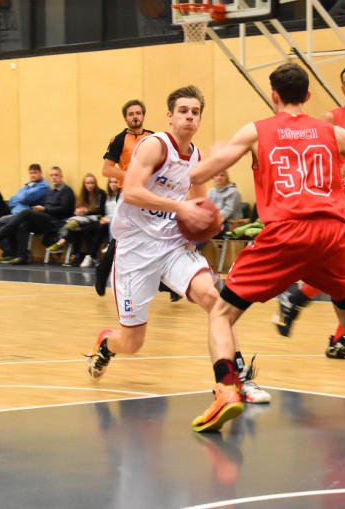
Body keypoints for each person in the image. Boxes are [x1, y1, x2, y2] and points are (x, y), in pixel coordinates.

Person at [189, 63, 345, 432]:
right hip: (333, 235)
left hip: (286, 233)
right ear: (309, 96)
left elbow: (198, 177)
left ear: (274, 96)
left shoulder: (256, 131)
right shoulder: (333, 131)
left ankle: (225, 391)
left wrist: (213, 154)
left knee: (221, 313)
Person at [85, 85, 271, 408]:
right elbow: (129, 192)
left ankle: (236, 381)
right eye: (183, 111)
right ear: (169, 116)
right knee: (132, 342)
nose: (189, 116)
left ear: (200, 118)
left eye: (195, 112)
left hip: (172, 245)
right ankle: (106, 345)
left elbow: (196, 202)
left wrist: (203, 221)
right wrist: (180, 208)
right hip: (136, 250)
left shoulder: (196, 157)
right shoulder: (154, 146)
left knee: (216, 300)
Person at [275, 64, 345, 360]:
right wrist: (341, 167)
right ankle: (297, 297)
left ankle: (339, 338)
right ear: (342, 89)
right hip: (344, 206)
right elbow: (310, 156)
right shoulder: (331, 119)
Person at [94, 99, 154, 296]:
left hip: (151, 195)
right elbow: (106, 170)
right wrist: (130, 175)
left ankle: (167, 285)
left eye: (138, 113)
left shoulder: (155, 138)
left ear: (143, 115)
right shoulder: (119, 139)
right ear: (126, 118)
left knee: (158, 237)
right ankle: (102, 272)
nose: (135, 116)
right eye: (131, 114)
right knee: (121, 239)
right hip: (128, 195)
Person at [1, 166, 75, 265]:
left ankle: (1, 232)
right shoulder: (51, 191)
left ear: (61, 177)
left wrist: (44, 209)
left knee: (25, 212)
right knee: (24, 224)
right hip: (45, 219)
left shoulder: (67, 191)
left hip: (56, 221)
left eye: (56, 175)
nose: (54, 177)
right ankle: (22, 256)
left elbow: (65, 211)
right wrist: (41, 210)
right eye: (52, 175)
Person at [0, 164, 49, 261]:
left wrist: (21, 199)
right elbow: (12, 200)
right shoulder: (27, 186)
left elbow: (26, 198)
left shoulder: (43, 186)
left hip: (31, 218)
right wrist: (22, 199)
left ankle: (11, 250)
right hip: (15, 215)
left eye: (35, 173)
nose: (32, 175)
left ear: (40, 173)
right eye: (31, 173)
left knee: (18, 224)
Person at [48, 173, 106, 267]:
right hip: (85, 221)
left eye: (92, 183)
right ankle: (80, 256)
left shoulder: (101, 193)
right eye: (87, 183)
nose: (90, 185)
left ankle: (64, 244)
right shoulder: (83, 195)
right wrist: (78, 212)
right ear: (84, 184)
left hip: (97, 220)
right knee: (76, 227)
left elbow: (101, 212)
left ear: (95, 184)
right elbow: (76, 211)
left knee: (78, 226)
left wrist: (87, 212)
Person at [207, 170, 244, 234]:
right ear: (213, 178)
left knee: (205, 231)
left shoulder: (233, 192)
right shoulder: (211, 192)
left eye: (222, 175)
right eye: (216, 175)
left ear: (226, 177)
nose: (219, 177)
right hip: (215, 220)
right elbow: (207, 208)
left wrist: (212, 219)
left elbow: (227, 212)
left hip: (230, 223)